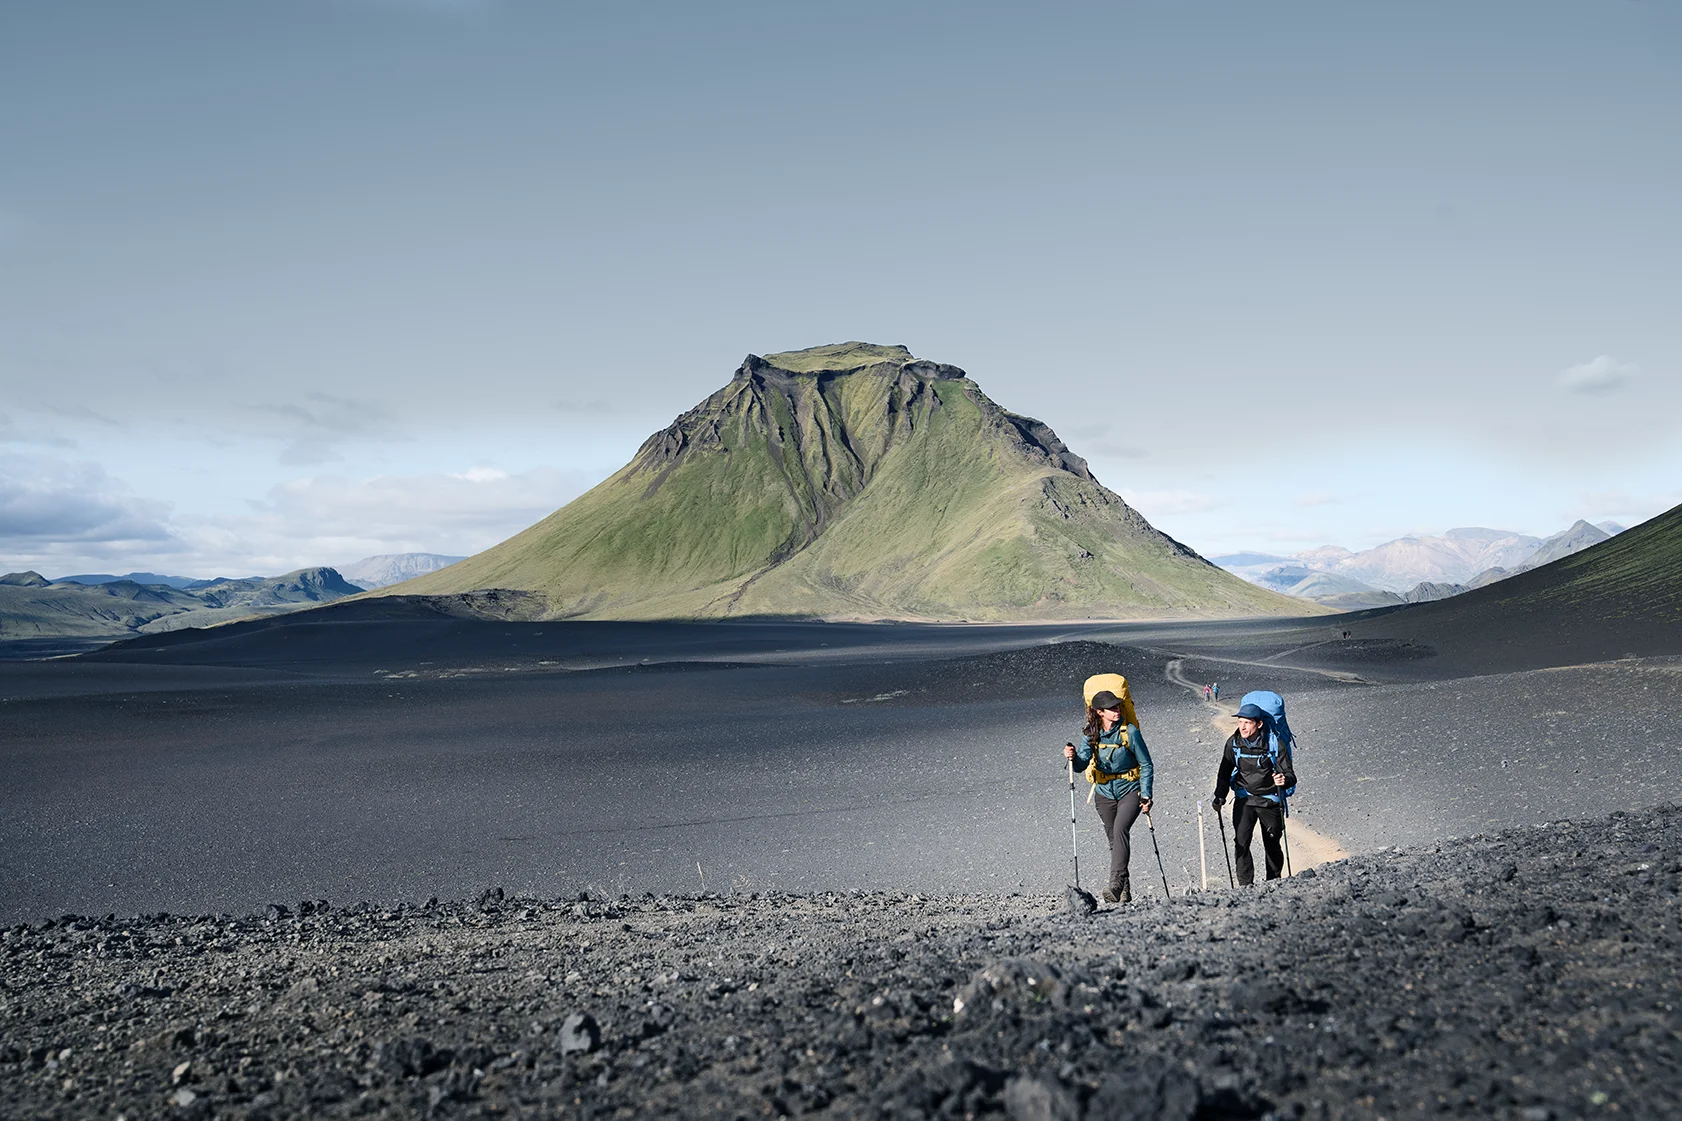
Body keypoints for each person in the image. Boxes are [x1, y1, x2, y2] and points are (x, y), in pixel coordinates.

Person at [1062, 688, 1154, 903]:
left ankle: (1115, 885)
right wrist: (1073, 757)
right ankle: (1124, 890)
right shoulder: (1090, 734)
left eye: (1118, 706)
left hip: (1130, 789)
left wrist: (1147, 794)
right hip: (1103, 793)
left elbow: (1146, 764)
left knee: (1121, 830)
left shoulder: (1130, 732)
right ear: (1099, 712)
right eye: (1111, 708)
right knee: (1114, 840)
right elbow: (1081, 764)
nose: (1117, 710)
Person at [1212, 702, 1295, 884]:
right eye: (1240, 722)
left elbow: (1290, 775)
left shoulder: (1274, 743)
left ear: (1259, 724)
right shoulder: (1233, 743)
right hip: (1245, 799)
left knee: (1272, 844)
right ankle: (1245, 887)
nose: (1242, 727)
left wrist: (1284, 780)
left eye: (1247, 723)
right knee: (1241, 843)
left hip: (1269, 800)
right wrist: (1220, 795)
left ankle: (1273, 882)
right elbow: (1224, 772)